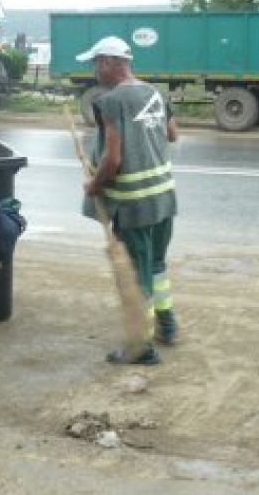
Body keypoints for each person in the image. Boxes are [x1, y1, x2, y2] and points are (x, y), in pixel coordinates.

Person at [77, 35, 179, 365]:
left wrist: (94, 184)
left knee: (138, 276)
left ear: (109, 62)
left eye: (96, 64)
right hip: (164, 198)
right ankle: (168, 327)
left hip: (134, 205)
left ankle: (141, 347)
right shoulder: (153, 93)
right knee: (157, 266)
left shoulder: (111, 102)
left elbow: (113, 159)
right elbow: (172, 134)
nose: (95, 71)